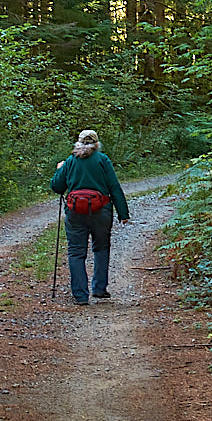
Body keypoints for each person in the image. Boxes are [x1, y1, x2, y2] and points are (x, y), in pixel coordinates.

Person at [50, 129, 130, 305]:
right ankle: (99, 289)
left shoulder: (71, 161)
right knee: (101, 247)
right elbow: (114, 187)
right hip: (101, 211)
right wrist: (123, 213)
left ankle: (80, 295)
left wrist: (60, 169)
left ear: (78, 143)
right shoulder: (103, 160)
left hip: (75, 212)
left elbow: (57, 186)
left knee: (76, 252)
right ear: (96, 143)